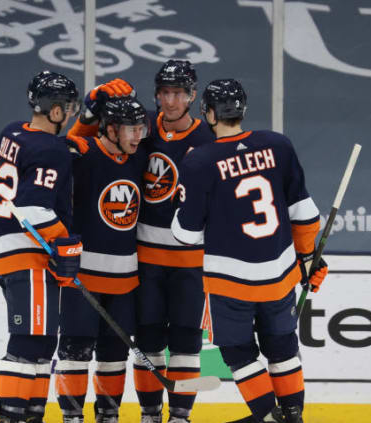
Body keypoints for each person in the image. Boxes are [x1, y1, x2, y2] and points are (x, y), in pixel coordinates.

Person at [170, 79, 328, 423]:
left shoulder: (200, 161)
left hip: (230, 282)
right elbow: (305, 214)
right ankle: (292, 416)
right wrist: (306, 258)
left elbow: (186, 235)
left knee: (239, 352)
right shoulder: (278, 145)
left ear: (209, 114)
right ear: (242, 110)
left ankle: (268, 416)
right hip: (278, 276)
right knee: (282, 345)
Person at [0, 70, 84, 423]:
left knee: (42, 343)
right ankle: (10, 418)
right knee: (27, 342)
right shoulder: (51, 150)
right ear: (54, 110)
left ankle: (29, 417)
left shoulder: (12, 131)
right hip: (27, 254)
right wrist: (63, 242)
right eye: (66, 108)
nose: (69, 114)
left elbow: (0, 178)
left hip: (3, 247)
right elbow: (32, 207)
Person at [55, 84, 149, 423]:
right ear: (110, 129)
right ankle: (72, 417)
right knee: (75, 352)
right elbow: (55, 151)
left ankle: (108, 416)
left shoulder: (138, 156)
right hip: (83, 278)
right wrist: (86, 116)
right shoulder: (83, 152)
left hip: (125, 282)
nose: (138, 135)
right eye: (131, 128)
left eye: (141, 128)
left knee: (114, 356)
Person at [133, 59, 214, 423]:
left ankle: (180, 415)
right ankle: (150, 413)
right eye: (165, 93)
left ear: (192, 96)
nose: (170, 101)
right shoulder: (141, 128)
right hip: (145, 260)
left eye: (178, 93)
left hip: (190, 262)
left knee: (186, 344)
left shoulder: (208, 139)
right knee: (147, 340)